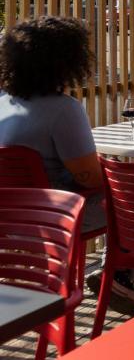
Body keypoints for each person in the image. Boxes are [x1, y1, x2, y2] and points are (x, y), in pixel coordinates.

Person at [0, 16, 104, 226]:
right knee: (132, 203)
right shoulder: (64, 109)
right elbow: (90, 179)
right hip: (55, 213)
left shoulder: (3, 102)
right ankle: (118, 257)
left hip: (10, 213)